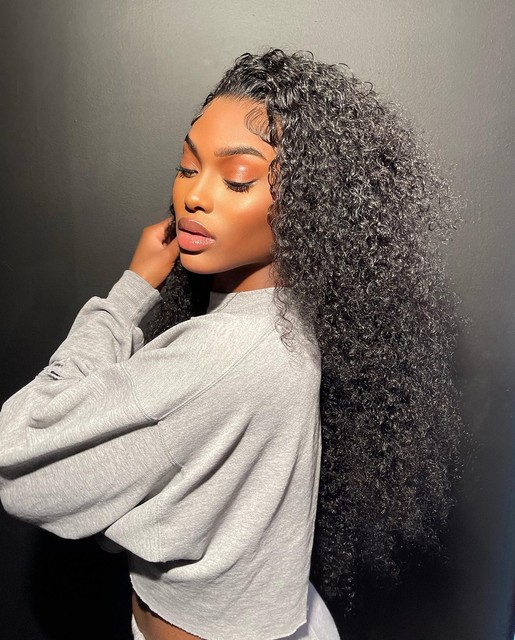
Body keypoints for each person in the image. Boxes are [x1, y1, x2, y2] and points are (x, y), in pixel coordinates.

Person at [0, 49, 462, 640]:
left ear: (308, 203)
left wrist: (128, 295)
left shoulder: (219, 355)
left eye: (237, 178)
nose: (195, 196)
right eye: (188, 166)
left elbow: (18, 458)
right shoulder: (288, 317)